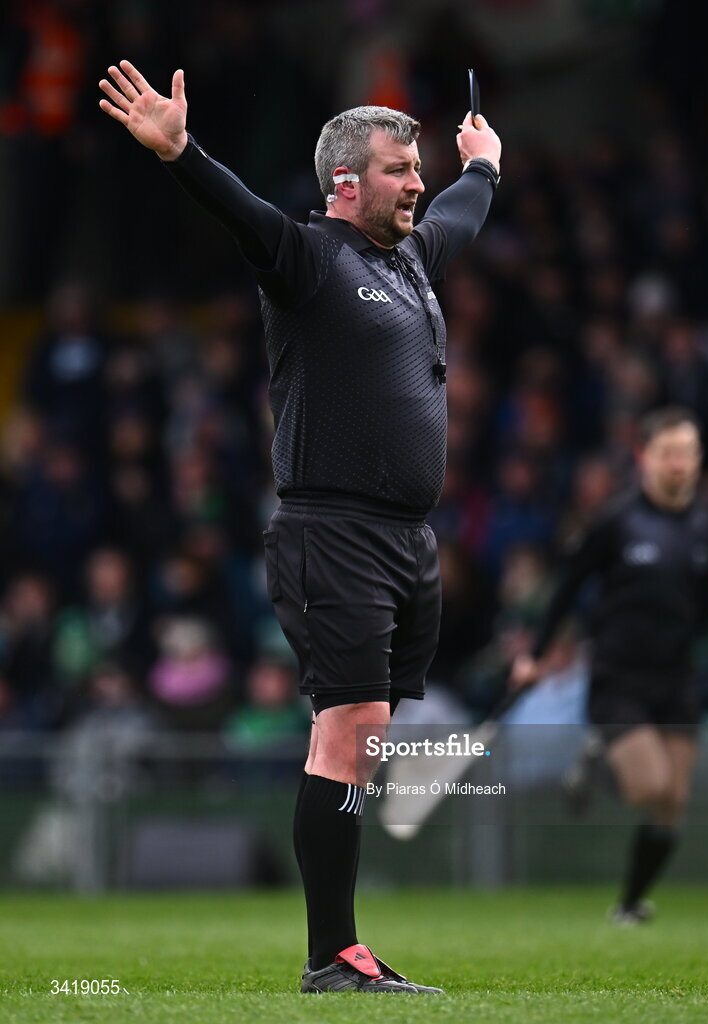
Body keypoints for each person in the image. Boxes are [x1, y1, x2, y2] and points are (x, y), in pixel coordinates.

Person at [99, 59, 501, 992]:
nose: (418, 183)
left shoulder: (409, 258)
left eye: (419, 167)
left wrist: (480, 166)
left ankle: (340, 948)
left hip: (408, 541)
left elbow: (461, 217)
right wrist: (181, 151)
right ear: (347, 183)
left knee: (365, 736)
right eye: (402, 169)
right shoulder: (310, 257)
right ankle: (332, 957)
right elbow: (242, 213)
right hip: (334, 530)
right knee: (347, 734)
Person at [511, 406, 708, 923]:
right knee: (650, 786)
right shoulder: (617, 520)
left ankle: (628, 904)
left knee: (671, 804)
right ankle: (600, 760)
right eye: (668, 453)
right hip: (619, 676)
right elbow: (568, 588)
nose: (678, 464)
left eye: (688, 453)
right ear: (644, 456)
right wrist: (534, 656)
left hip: (677, 676)